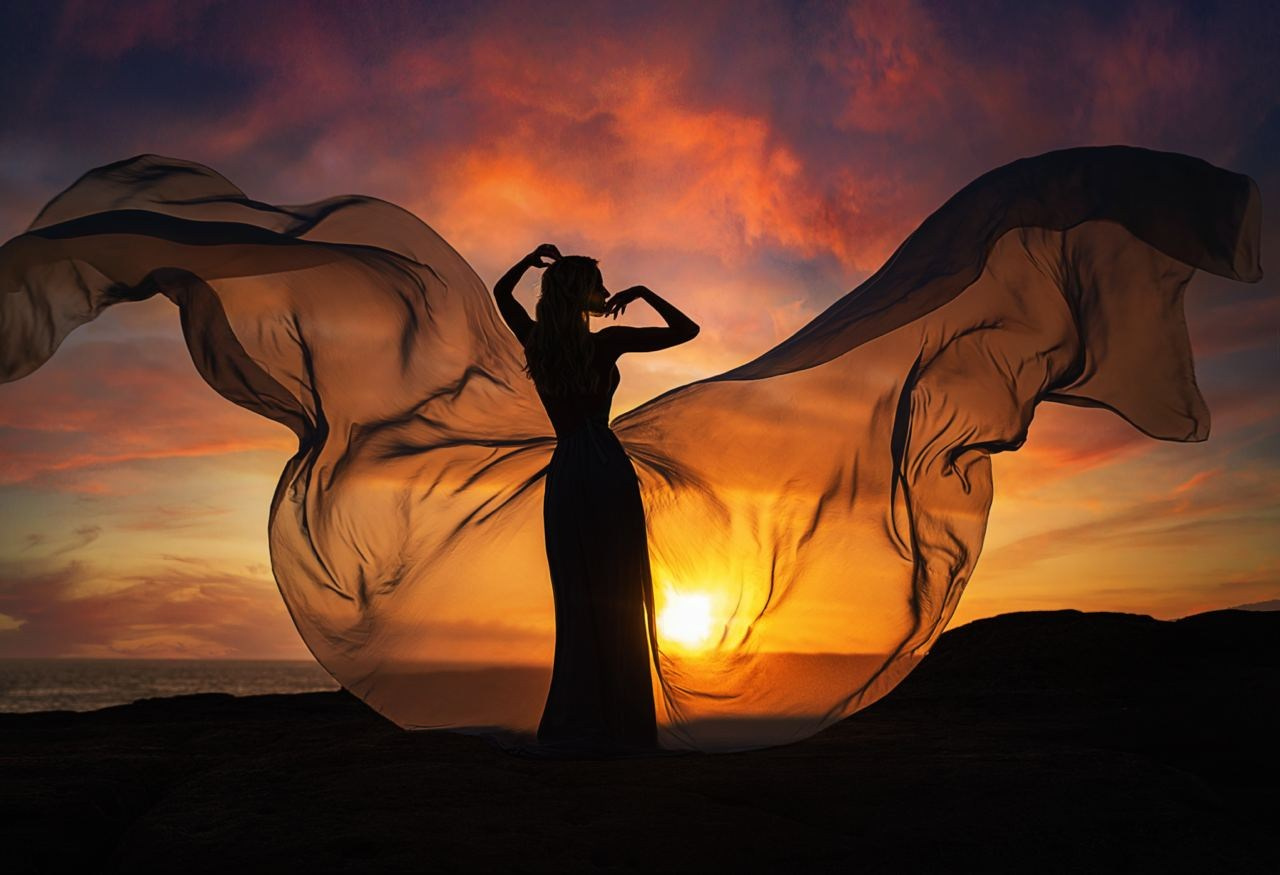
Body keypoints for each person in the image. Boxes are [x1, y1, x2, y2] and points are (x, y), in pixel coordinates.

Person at [491, 243, 699, 753]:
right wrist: (644, 292)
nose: (607, 294)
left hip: (567, 472)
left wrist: (529, 261)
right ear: (581, 294)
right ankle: (621, 721)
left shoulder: (537, 341)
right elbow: (687, 331)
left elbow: (501, 292)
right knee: (619, 590)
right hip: (605, 468)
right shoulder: (608, 343)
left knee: (578, 594)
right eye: (599, 287)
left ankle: (581, 717)